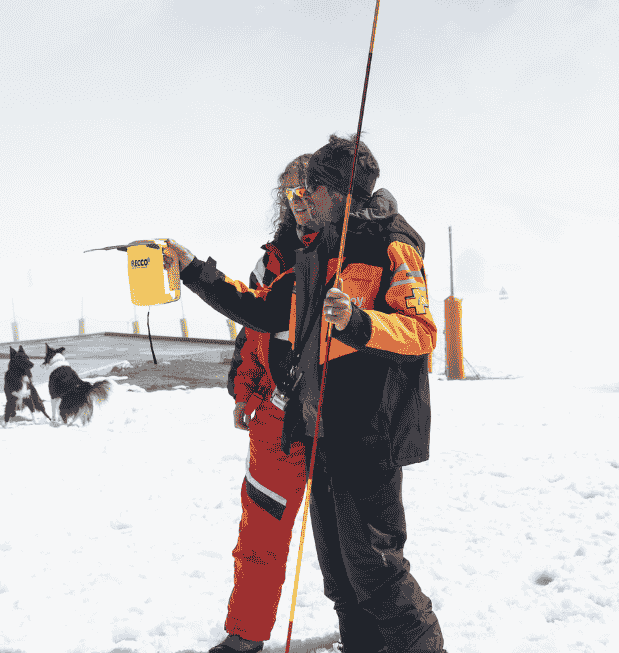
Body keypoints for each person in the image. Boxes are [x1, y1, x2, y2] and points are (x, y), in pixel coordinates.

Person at [165, 135, 445, 653]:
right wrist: (192, 273)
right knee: (340, 576)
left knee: (377, 572)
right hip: (323, 429)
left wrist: (361, 323)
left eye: (310, 187)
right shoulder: (317, 250)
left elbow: (423, 332)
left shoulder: (392, 243)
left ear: (335, 189)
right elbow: (266, 312)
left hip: (371, 432)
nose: (301, 198)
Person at [206, 154, 314, 653]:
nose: (298, 203)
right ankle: (245, 636)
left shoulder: (354, 253)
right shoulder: (270, 261)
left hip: (339, 418)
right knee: (261, 531)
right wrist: (243, 391)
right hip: (275, 415)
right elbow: (250, 330)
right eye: (289, 193)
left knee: (350, 541)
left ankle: (367, 630)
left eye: (306, 191)